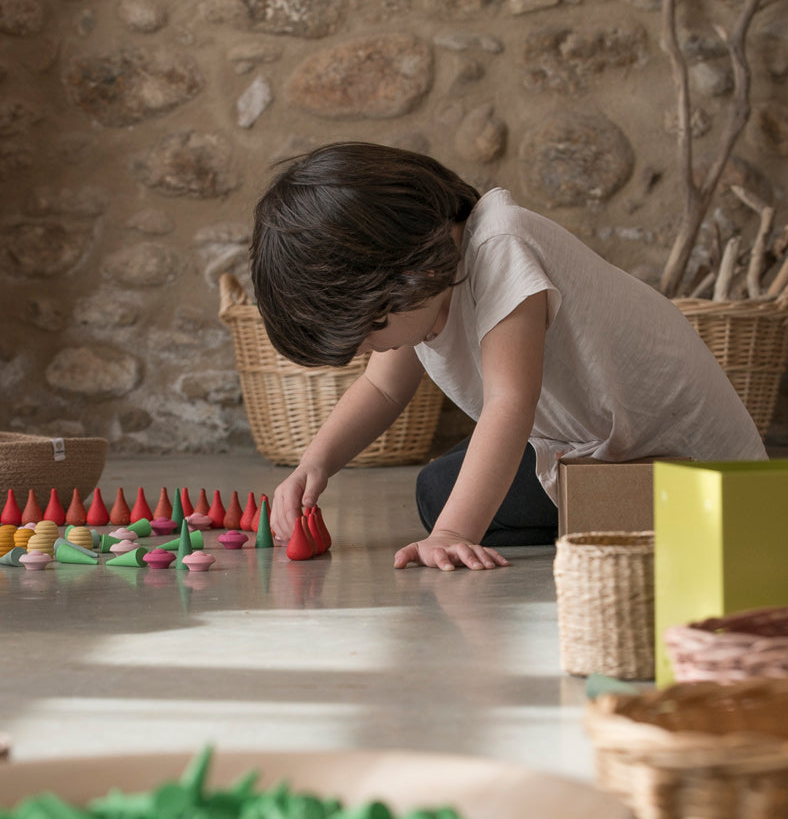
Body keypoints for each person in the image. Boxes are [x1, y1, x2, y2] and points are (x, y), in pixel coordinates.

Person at [250, 142, 767, 571]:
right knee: (439, 486)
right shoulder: (426, 286)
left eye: (368, 330)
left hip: (685, 459)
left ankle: (650, 512)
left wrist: (453, 533)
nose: (368, 347)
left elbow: (509, 404)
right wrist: (313, 465)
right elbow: (383, 389)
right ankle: (604, 504)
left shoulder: (500, 245)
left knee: (445, 502)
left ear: (404, 275)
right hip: (592, 442)